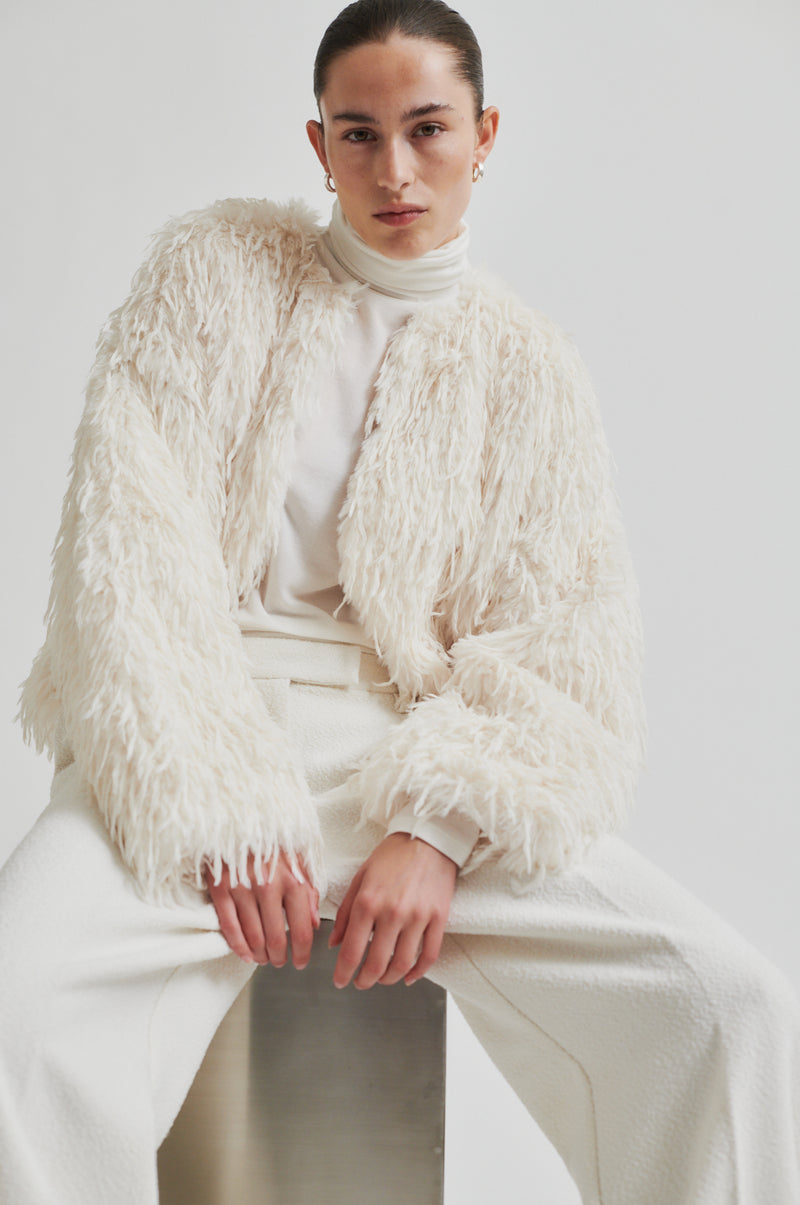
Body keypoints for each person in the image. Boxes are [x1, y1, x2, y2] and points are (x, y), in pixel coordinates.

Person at [1, 0, 798, 1201]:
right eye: (358, 134)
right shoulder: (209, 275)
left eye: (426, 129)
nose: (394, 170)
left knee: (722, 1003)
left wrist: (434, 828)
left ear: (484, 134)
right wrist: (219, 800)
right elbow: (128, 562)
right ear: (317, 144)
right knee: (11, 1016)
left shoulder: (528, 368)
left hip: (408, 760)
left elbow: (556, 642)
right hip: (196, 740)